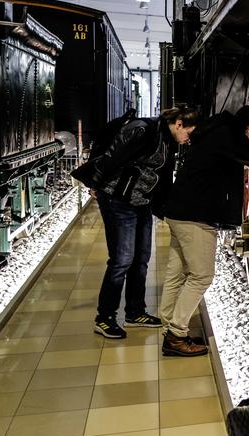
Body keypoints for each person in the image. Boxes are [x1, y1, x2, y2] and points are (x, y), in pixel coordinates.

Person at [74, 106, 199, 339]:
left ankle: (135, 311)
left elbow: (162, 177)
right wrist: (96, 184)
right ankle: (105, 317)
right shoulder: (142, 129)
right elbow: (112, 157)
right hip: (118, 199)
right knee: (121, 259)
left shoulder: (167, 139)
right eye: (188, 133)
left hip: (141, 202)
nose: (188, 139)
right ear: (179, 123)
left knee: (141, 258)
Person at [159, 106, 249, 356]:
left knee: (177, 272)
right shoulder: (227, 135)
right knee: (202, 276)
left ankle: (169, 323)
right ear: (248, 127)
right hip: (196, 216)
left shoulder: (214, 131)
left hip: (179, 211)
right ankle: (176, 335)